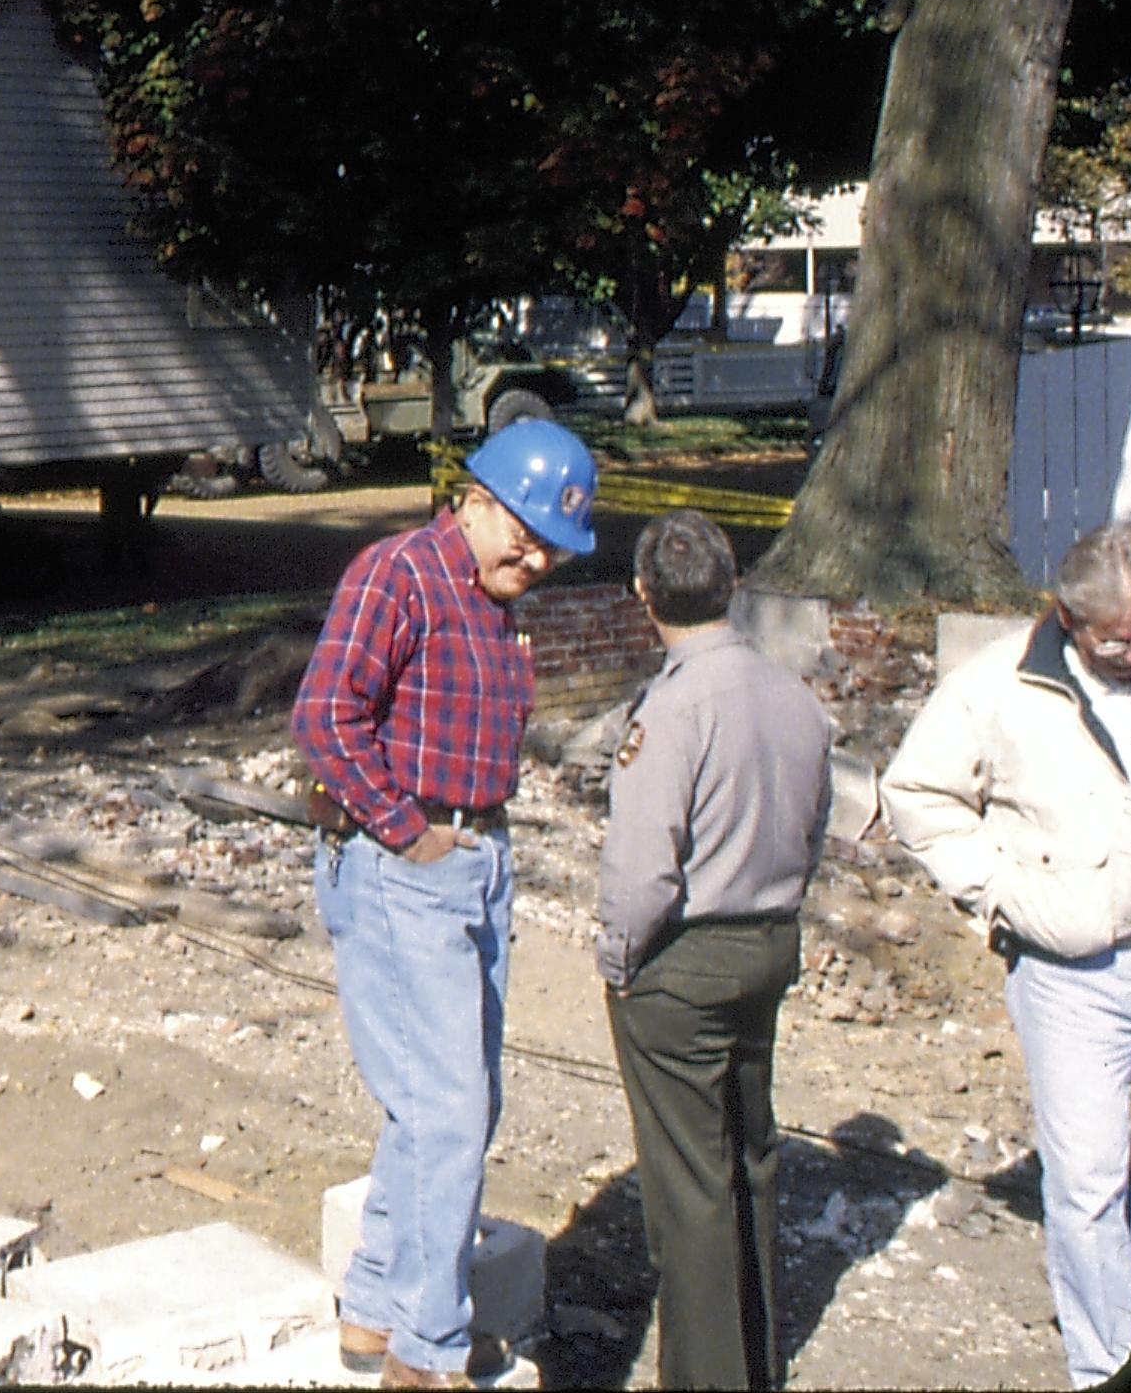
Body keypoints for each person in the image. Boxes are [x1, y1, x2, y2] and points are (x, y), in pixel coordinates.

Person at [293, 416, 598, 1389]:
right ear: (471, 499)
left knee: (454, 1102)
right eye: (519, 527)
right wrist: (405, 830)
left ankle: (375, 1304)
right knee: (447, 1110)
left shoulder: (496, 602)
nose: (533, 553)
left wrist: (473, 844)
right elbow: (325, 717)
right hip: (400, 860)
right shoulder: (401, 575)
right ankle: (428, 1353)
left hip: (476, 851)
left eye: (550, 544)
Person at [881, 521, 1131, 1388]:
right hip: (1073, 973)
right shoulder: (994, 686)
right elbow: (917, 793)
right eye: (1118, 639)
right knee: (1089, 1182)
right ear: (1069, 619)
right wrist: (1000, 892)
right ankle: (1106, 1362)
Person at [595, 510, 833, 1389]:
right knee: (750, 1156)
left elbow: (642, 865)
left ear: (642, 594)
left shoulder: (673, 707)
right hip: (768, 942)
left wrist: (618, 960)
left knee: (689, 1188)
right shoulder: (794, 696)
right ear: (732, 587)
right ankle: (755, 1353)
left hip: (684, 959)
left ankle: (707, 1376)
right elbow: (816, 824)